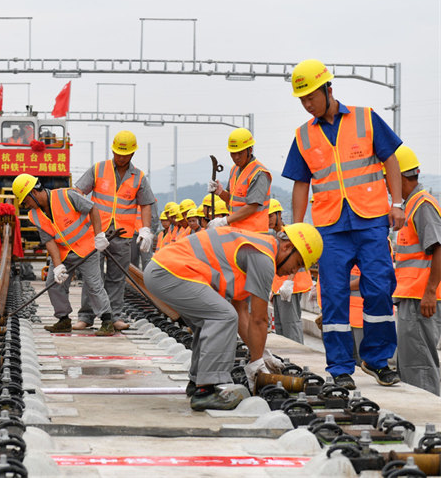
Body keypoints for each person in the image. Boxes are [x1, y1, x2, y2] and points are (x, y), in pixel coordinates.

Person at [284, 58, 404, 389]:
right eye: (302, 100)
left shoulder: (366, 119)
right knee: (333, 296)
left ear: (328, 89)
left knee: (379, 288)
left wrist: (397, 203)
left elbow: (390, 159)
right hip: (330, 229)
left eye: (311, 96)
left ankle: (377, 360)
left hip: (370, 220)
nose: (307, 104)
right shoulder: (303, 136)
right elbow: (300, 182)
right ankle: (339, 367)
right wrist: (297, 229)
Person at [145, 223, 323, 410]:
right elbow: (259, 319)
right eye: (297, 264)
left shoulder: (256, 249)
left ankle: (197, 381)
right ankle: (205, 391)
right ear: (287, 246)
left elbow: (242, 313)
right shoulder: (263, 258)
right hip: (169, 272)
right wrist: (256, 363)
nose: (293, 272)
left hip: (165, 271)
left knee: (211, 319)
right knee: (222, 316)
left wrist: (260, 354)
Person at [12, 174, 115, 336]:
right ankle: (63, 319)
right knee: (52, 282)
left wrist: (99, 235)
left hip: (86, 248)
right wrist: (58, 265)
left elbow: (92, 208)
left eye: (26, 201)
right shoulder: (35, 214)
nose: (26, 205)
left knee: (94, 285)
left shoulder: (67, 196)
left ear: (34, 192)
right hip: (64, 252)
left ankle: (107, 321)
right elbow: (49, 240)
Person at [75, 130, 155, 331]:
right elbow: (77, 192)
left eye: (125, 155)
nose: (121, 158)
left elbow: (146, 204)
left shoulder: (139, 177)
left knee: (116, 277)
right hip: (97, 232)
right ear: (112, 150)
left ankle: (114, 316)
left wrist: (145, 229)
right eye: (118, 153)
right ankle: (86, 316)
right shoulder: (99, 169)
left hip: (122, 234)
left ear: (132, 154)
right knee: (92, 275)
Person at [391, 145, 441, 395]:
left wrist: (430, 292)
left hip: (422, 299)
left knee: (420, 365)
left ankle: (430, 423)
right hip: (411, 297)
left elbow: (439, 247)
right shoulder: (410, 206)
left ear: (399, 177)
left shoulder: (422, 204)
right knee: (410, 364)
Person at [208, 129, 271, 233]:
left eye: (240, 153)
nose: (236, 157)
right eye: (233, 153)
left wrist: (224, 221)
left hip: (255, 233)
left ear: (250, 150)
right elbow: (233, 201)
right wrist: (220, 192)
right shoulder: (234, 169)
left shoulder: (259, 173)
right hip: (238, 232)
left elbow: (252, 207)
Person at [269, 199, 312, 344]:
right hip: (279, 288)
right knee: (281, 327)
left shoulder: (288, 234)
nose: (268, 220)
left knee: (290, 325)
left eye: (270, 216)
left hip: (291, 286)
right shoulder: (276, 236)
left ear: (278, 214)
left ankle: (297, 358)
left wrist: (289, 282)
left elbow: (298, 257)